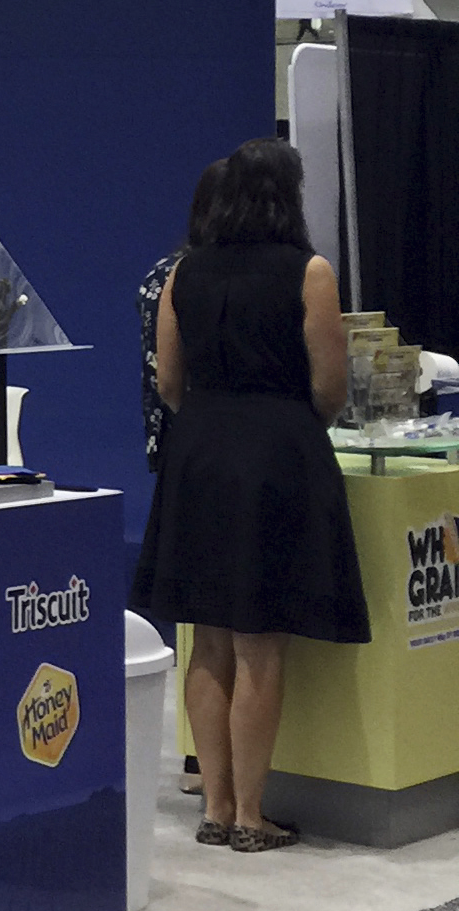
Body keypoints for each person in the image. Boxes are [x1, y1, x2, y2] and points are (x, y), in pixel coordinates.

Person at [132, 138, 367, 853]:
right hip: (274, 454)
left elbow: (169, 383)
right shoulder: (311, 272)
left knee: (205, 637)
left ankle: (216, 803)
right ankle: (251, 814)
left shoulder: (183, 274)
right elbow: (330, 385)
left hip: (197, 455)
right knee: (261, 641)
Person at [139, 158, 227, 468]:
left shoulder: (166, 274)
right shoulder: (173, 276)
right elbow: (165, 379)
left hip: (194, 431)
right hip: (196, 434)